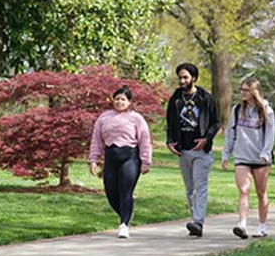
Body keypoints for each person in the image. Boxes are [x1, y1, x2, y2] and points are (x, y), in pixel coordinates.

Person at [89, 86, 152, 238]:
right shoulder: (104, 117)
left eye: (123, 99)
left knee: (125, 191)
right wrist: (93, 160)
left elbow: (144, 139)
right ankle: (127, 212)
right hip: (111, 157)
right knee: (111, 192)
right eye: (117, 99)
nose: (119, 102)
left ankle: (124, 223)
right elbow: (96, 140)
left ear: (129, 102)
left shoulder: (136, 118)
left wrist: (146, 161)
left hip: (130, 157)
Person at [166, 63, 220, 237]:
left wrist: (206, 139)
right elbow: (170, 123)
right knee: (190, 189)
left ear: (194, 78)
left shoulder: (205, 98)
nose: (182, 81)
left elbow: (216, 122)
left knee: (200, 186)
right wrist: (170, 142)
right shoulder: (175, 99)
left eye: (185, 77)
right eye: (180, 77)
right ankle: (195, 222)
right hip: (183, 150)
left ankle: (198, 222)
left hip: (201, 151)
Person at [221, 77, 275, 239]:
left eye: (246, 90)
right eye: (242, 90)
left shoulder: (266, 110)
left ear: (254, 92)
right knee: (244, 190)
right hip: (242, 156)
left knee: (261, 193)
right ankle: (242, 224)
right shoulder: (237, 110)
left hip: (260, 158)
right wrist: (226, 154)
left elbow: (270, 135)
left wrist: (266, 153)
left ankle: (262, 226)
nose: (243, 93)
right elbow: (230, 133)